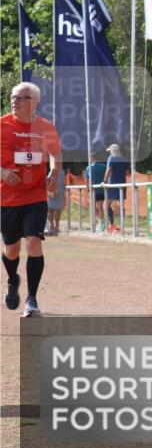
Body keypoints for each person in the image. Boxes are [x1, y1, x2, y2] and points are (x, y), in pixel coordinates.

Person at [1, 82, 62, 318]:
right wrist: (3, 172)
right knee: (12, 250)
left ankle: (32, 299)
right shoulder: (2, 125)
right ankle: (12, 279)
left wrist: (54, 173)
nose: (14, 101)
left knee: (34, 242)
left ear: (34, 102)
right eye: (13, 97)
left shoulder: (45, 127)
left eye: (21, 98)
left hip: (35, 195)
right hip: (7, 198)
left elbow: (56, 153)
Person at [103, 144, 129, 232]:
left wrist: (105, 181)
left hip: (113, 184)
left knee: (106, 204)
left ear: (113, 151)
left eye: (110, 151)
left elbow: (108, 169)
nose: (110, 152)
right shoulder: (124, 159)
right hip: (122, 183)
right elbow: (127, 172)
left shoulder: (111, 158)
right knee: (120, 204)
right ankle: (122, 225)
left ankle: (111, 225)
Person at [84, 155, 107, 231]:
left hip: (93, 191)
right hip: (101, 190)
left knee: (93, 207)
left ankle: (100, 222)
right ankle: (101, 222)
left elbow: (86, 180)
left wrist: (88, 189)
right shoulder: (104, 166)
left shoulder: (88, 168)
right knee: (100, 207)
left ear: (92, 158)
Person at [46, 167, 66, 236]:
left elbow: (48, 180)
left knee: (50, 210)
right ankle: (56, 226)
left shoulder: (53, 170)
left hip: (52, 190)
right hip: (58, 190)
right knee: (56, 210)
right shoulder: (62, 172)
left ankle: (52, 226)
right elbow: (64, 183)